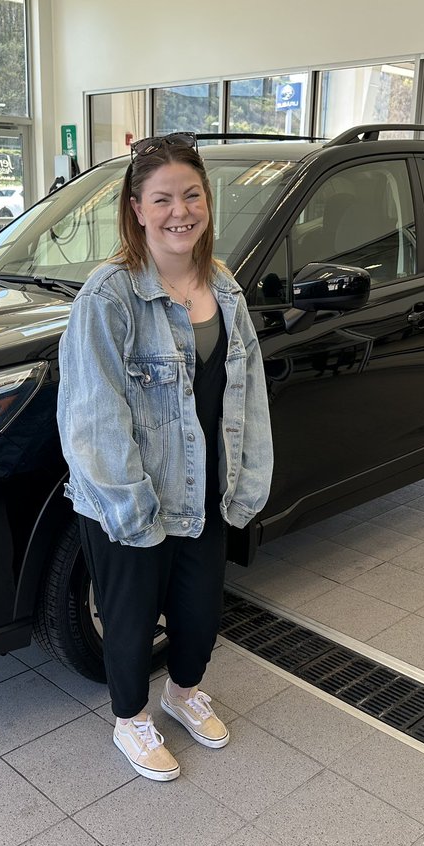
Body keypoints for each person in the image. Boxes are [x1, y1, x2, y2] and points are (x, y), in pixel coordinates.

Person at [56, 132, 273, 782]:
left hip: (204, 493)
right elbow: (92, 417)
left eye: (191, 195)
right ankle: (132, 721)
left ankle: (181, 693)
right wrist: (134, 510)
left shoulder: (225, 288)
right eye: (162, 199)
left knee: (198, 612)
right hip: (129, 502)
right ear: (137, 207)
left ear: (207, 201)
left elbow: (249, 392)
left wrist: (247, 483)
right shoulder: (109, 296)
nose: (180, 211)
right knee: (127, 621)